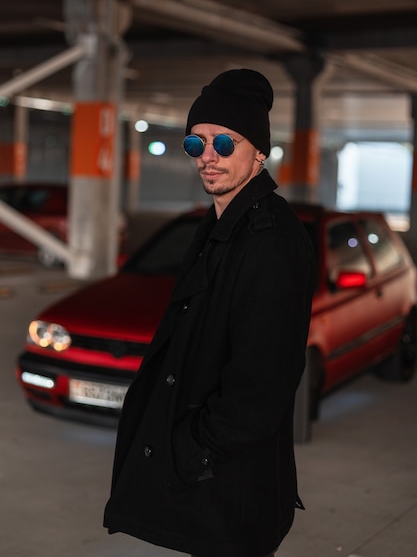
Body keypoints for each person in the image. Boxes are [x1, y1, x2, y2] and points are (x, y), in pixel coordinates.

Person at [103, 69, 315, 557]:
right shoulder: (219, 225)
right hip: (210, 484)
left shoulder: (272, 242)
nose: (209, 157)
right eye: (196, 145)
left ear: (258, 151)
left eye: (224, 141)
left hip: (228, 485)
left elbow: (263, 384)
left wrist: (191, 450)